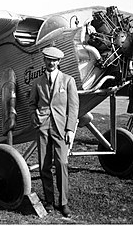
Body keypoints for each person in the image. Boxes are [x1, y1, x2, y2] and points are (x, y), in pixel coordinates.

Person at [29, 46, 79, 218]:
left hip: (60, 128)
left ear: (59, 62)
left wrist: (70, 129)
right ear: (44, 61)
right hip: (43, 127)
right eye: (48, 59)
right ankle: (49, 201)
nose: (51, 63)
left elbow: (73, 108)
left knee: (62, 164)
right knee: (44, 165)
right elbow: (31, 104)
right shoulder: (38, 82)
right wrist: (36, 118)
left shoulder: (68, 81)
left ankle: (63, 203)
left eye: (54, 60)